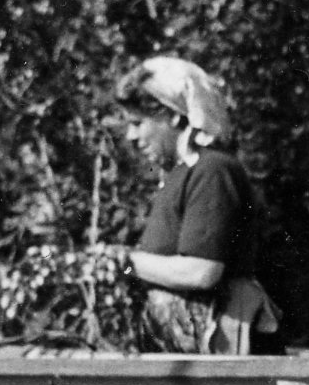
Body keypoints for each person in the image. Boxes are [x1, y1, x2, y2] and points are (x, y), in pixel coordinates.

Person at [112, 56, 279, 355]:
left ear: (174, 117)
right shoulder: (178, 175)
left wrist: (121, 262)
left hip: (222, 353)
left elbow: (202, 272)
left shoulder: (212, 170)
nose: (131, 136)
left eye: (138, 123)